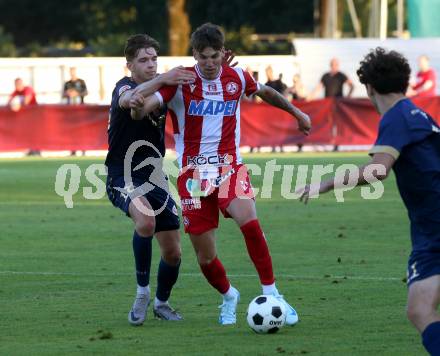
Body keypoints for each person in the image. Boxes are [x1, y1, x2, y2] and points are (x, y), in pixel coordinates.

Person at [136, 23, 311, 326]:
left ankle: (273, 293)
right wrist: (142, 100)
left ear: (223, 53)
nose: (210, 63)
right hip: (192, 176)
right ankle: (229, 295)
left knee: (250, 221)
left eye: (215, 56)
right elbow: (147, 105)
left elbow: (266, 92)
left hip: (229, 166)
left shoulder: (237, 76)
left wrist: (297, 113)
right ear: (195, 55)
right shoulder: (180, 82)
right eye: (203, 57)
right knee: (205, 257)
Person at [298, 47, 440, 355]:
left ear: (369, 87)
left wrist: (325, 183)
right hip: (431, 225)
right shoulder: (419, 114)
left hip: (434, 228)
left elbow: (377, 171)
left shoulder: (396, 117)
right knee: (420, 307)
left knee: (420, 310)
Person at [104, 34, 196, 325]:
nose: (151, 64)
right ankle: (142, 293)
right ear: (129, 64)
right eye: (143, 60)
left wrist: (220, 62)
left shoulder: (162, 89)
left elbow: (202, 75)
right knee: (145, 221)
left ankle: (161, 303)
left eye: (154, 59)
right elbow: (130, 100)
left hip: (155, 175)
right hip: (123, 172)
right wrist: (164, 78)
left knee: (173, 251)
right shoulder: (124, 86)